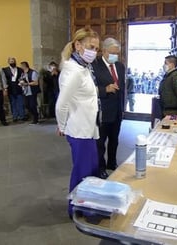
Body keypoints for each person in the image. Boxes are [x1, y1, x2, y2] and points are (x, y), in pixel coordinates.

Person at [56, 27, 100, 217]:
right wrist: (62, 126)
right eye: (91, 47)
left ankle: (86, 205)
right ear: (78, 45)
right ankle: (76, 208)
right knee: (82, 171)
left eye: (97, 48)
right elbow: (61, 104)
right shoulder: (74, 71)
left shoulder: (82, 68)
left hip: (88, 128)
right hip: (79, 129)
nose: (94, 52)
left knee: (90, 169)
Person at [92, 37, 126, 178]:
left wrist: (123, 108)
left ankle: (112, 163)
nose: (115, 56)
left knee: (114, 140)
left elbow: (123, 88)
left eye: (117, 53)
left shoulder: (119, 66)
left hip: (117, 111)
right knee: (100, 143)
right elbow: (88, 88)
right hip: (102, 111)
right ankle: (101, 168)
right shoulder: (94, 65)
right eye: (112, 53)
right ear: (104, 51)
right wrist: (105, 89)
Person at [3, 57, 25, 122]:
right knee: (13, 103)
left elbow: (23, 77)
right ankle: (15, 116)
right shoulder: (5, 70)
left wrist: (22, 82)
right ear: (8, 62)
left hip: (19, 88)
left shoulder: (20, 69)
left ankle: (22, 116)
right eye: (11, 61)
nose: (12, 62)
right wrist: (5, 89)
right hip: (10, 89)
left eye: (13, 61)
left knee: (20, 103)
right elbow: (4, 80)